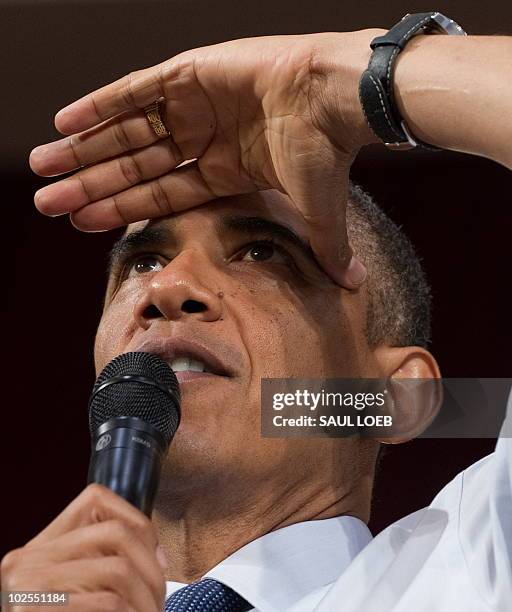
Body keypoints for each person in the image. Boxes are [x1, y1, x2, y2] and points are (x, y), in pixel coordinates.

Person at [1, 15, 511, 612]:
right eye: (141, 262)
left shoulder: (474, 563)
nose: (170, 286)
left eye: (260, 253)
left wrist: (327, 79)